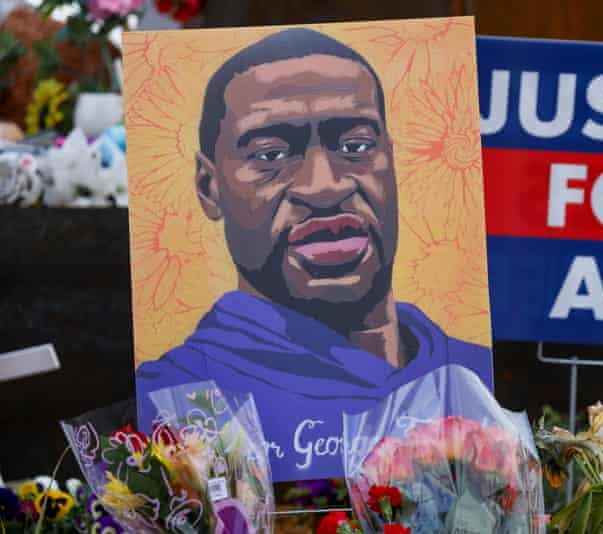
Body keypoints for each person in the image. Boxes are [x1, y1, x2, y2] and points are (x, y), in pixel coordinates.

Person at [135, 28, 493, 481]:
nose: (324, 186)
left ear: (391, 159)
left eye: (356, 147)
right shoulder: (176, 399)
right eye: (270, 154)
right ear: (209, 187)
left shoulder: (475, 377)